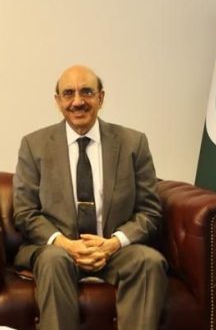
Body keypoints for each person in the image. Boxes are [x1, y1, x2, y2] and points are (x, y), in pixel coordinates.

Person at [12, 65, 167, 330]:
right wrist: (66, 244)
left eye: (86, 92)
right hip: (57, 248)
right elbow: (25, 212)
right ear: (58, 101)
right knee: (52, 260)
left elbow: (149, 211)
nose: (77, 101)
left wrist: (113, 244)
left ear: (101, 98)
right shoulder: (34, 145)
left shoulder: (133, 143)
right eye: (68, 93)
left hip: (114, 248)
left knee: (149, 262)